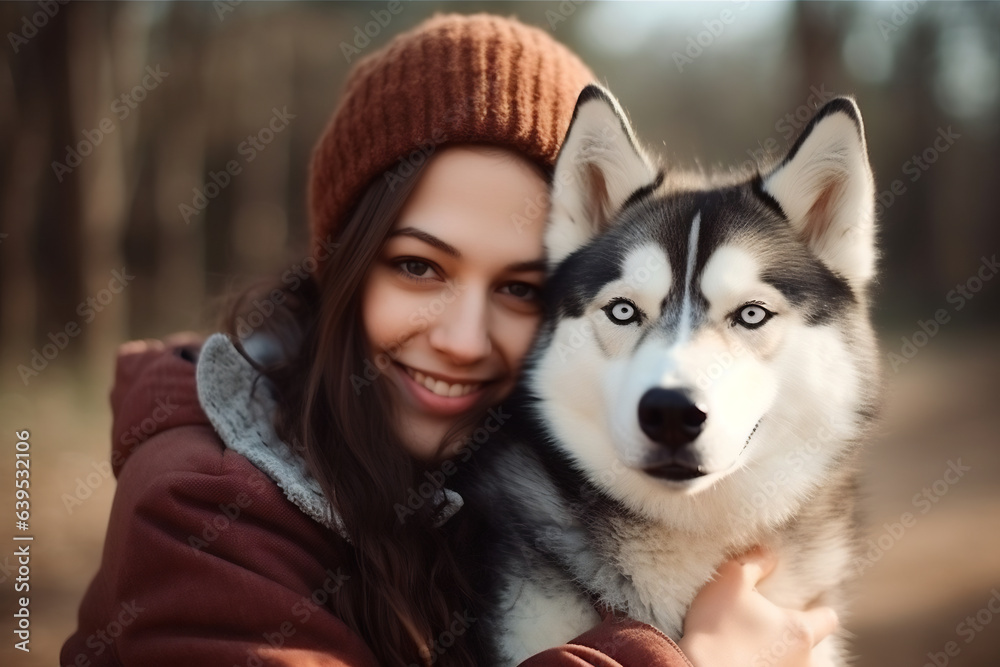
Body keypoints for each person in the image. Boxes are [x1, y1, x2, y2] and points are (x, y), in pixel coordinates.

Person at [61, 13, 838, 667]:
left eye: (521, 288)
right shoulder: (201, 514)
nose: (465, 340)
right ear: (345, 269)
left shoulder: (512, 490)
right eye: (418, 266)